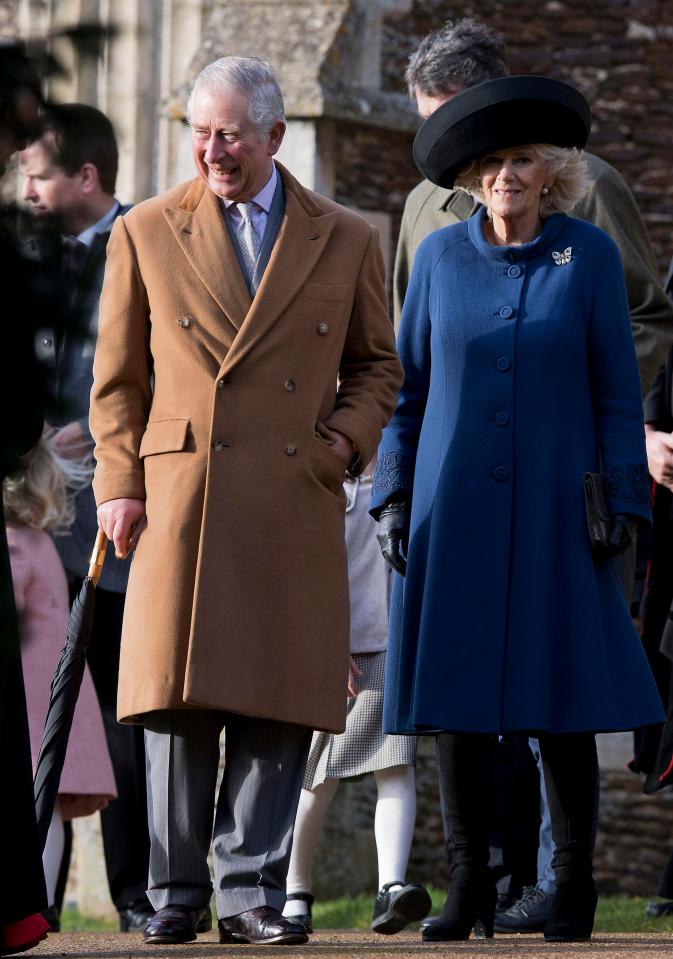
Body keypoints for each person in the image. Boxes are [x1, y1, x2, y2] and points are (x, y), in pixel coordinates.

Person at [89, 55, 402, 947]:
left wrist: (342, 440)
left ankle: (250, 893)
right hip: (181, 493)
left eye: (228, 133)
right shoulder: (146, 229)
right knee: (177, 699)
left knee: (275, 698)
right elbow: (117, 383)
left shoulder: (345, 236)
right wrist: (119, 484)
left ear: (275, 133)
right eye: (198, 131)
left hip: (292, 489)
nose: (210, 150)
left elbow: (376, 364)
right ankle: (177, 890)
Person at [371, 75, 665, 943]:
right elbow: (408, 391)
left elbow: (617, 391)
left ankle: (568, 883)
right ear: (470, 176)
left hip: (555, 509)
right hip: (450, 506)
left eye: (522, 161)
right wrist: (393, 491)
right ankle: (469, 885)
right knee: (457, 704)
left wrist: (623, 500)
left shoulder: (590, 257)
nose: (506, 174)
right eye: (491, 161)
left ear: (551, 174)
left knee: (558, 697)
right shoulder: (437, 260)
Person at [18, 104, 153, 933]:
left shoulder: (151, 243)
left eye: (36, 174)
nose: (24, 190)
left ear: (86, 178)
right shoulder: (20, 258)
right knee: (37, 709)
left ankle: (138, 895)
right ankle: (34, 897)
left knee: (123, 711)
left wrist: (113, 441)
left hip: (123, 520)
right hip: (31, 524)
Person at [283, 461, 429, 936]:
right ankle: (294, 892)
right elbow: (303, 573)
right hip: (332, 651)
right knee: (316, 774)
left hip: (392, 648)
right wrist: (327, 641)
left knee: (397, 762)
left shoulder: (402, 482)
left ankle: (391, 889)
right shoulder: (320, 482)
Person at [4, 435, 117, 929]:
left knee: (35, 808)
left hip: (30, 694)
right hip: (58, 687)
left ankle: (35, 902)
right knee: (46, 809)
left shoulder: (12, 542)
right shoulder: (40, 538)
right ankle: (43, 901)